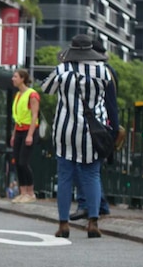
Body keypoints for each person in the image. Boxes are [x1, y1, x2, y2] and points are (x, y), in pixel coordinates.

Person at [42, 34, 112, 239]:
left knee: (64, 176)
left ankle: (63, 223)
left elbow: (46, 88)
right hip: (93, 131)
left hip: (66, 129)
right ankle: (93, 221)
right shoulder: (103, 71)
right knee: (92, 175)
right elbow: (106, 91)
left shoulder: (62, 70)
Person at [9, 69, 39, 204]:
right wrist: (14, 134)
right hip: (19, 130)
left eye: (15, 76)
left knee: (23, 162)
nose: (13, 79)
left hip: (29, 130)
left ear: (22, 78)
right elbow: (17, 117)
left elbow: (34, 115)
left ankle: (30, 192)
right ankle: (22, 192)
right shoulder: (18, 95)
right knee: (17, 162)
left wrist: (30, 135)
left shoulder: (32, 95)